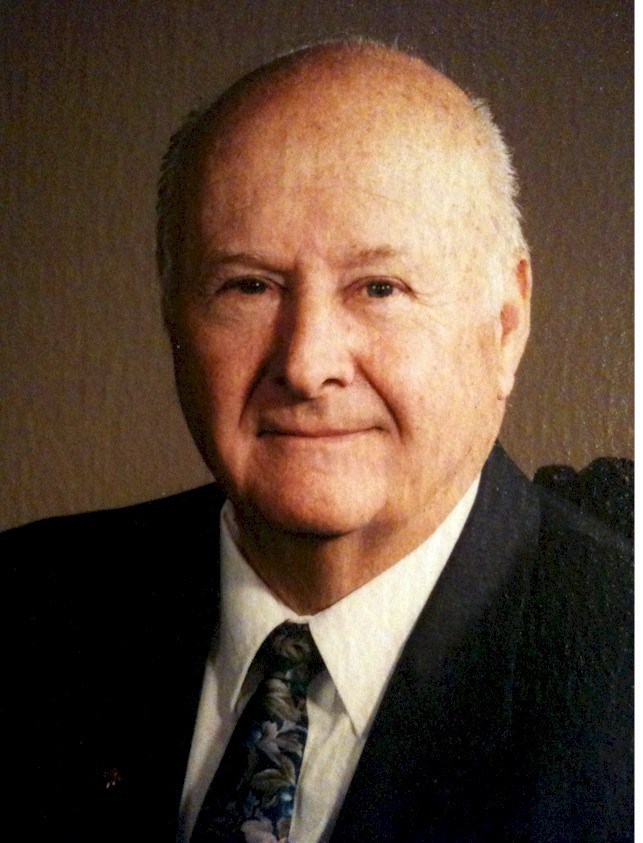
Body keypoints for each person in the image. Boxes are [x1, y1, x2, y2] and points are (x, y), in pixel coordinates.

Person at [4, 40, 632, 842]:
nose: (305, 364)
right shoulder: (24, 604)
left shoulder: (619, 676)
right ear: (173, 316)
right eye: (248, 285)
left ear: (505, 324)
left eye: (378, 287)